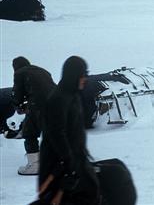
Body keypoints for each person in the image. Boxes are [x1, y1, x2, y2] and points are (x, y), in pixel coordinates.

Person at [38, 56, 100, 205]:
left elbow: (75, 129)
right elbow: (56, 133)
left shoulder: (73, 95)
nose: (85, 78)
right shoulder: (58, 99)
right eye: (83, 75)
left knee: (91, 193)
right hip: (58, 163)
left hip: (75, 159)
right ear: (74, 75)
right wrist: (68, 161)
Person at [11, 56, 56, 175]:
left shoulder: (19, 73)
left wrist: (19, 107)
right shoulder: (43, 71)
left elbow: (17, 94)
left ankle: (35, 165)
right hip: (56, 103)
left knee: (29, 132)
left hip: (38, 105)